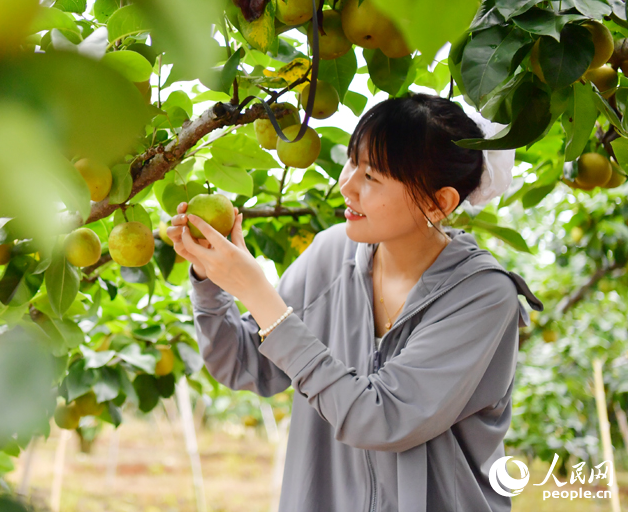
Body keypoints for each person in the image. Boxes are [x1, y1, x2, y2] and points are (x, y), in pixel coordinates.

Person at [166, 92, 544, 512]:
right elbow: (245, 364)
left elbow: (382, 418)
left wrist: (256, 291)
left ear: (440, 203)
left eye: (373, 176)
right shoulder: (331, 255)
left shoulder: (483, 296)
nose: (347, 185)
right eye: (352, 162)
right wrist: (208, 277)